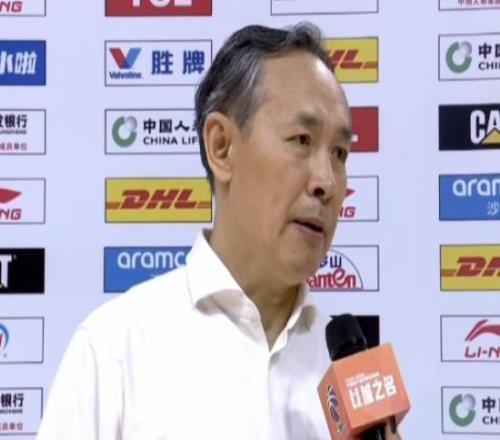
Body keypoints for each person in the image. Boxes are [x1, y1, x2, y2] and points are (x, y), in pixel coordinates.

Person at [37, 23, 401, 439]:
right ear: (221, 147)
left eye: (339, 152)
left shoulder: (351, 374)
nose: (328, 182)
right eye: (302, 140)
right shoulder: (114, 350)